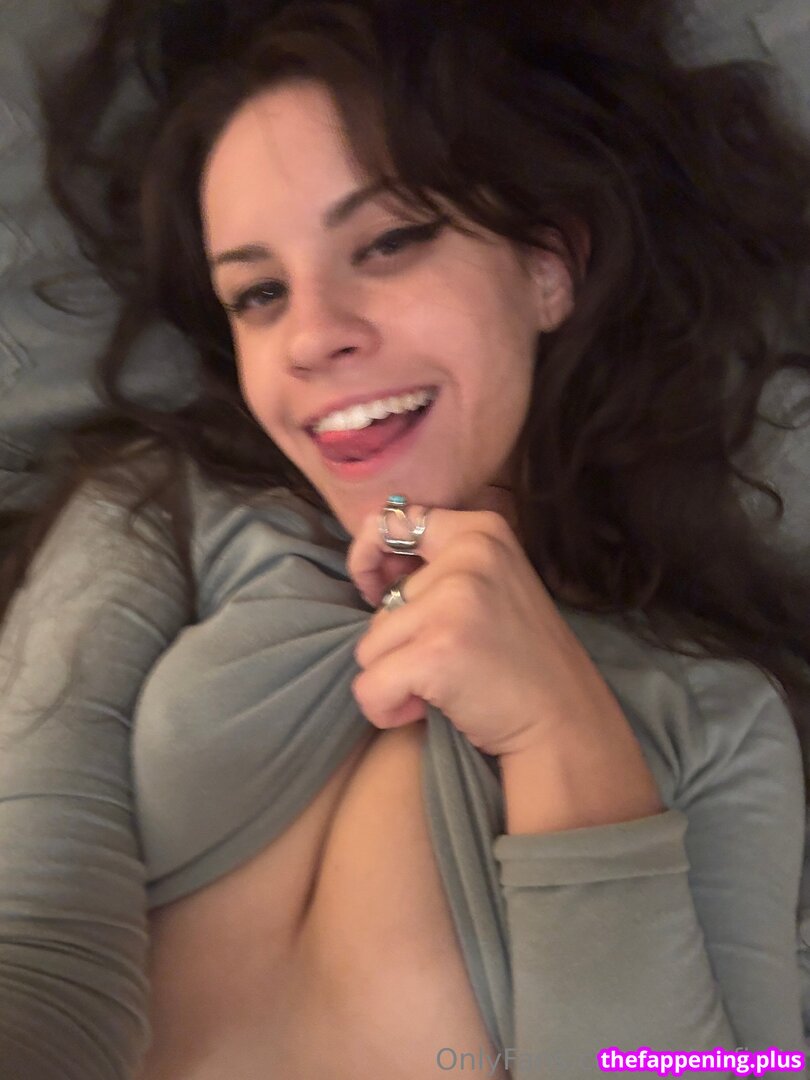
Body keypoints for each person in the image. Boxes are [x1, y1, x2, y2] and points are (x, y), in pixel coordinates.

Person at [1, 0, 810, 1076]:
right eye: (259, 292)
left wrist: (569, 744)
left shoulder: (717, 720)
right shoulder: (160, 513)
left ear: (548, 266)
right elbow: (34, 947)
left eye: (387, 242)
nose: (311, 336)